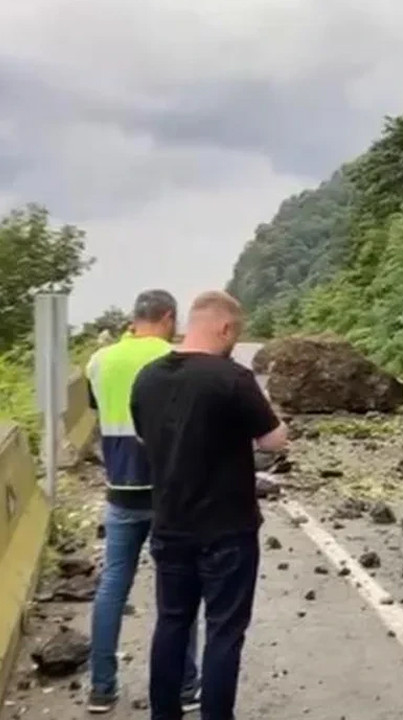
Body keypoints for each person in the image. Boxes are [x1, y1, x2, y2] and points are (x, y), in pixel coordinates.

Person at [131, 291, 287, 720]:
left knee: (172, 623)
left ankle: (164, 714)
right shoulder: (232, 378)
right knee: (224, 631)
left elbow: (144, 437)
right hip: (227, 529)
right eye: (235, 333)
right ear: (225, 327)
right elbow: (273, 440)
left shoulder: (147, 378)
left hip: (170, 523)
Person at [84, 290, 201, 714]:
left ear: (134, 318)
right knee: (179, 588)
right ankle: (185, 686)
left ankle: (101, 687)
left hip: (120, 489)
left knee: (113, 585)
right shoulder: (174, 359)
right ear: (168, 318)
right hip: (167, 492)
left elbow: (96, 411)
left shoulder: (99, 361)